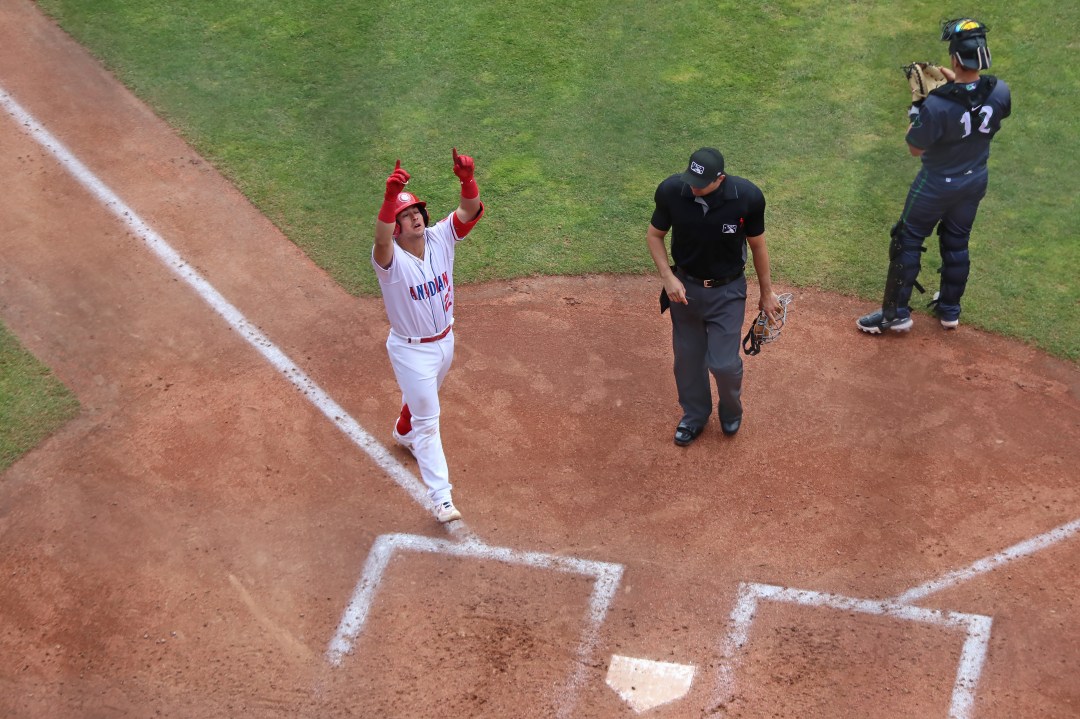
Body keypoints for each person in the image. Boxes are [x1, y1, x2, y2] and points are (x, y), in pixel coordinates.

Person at [858, 18, 1011, 334]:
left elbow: (915, 148)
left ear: (955, 58)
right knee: (957, 241)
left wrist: (917, 108)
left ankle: (895, 313)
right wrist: (956, 81)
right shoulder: (1000, 91)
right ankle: (950, 310)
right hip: (974, 181)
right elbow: (974, 97)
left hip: (936, 185)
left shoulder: (937, 105)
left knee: (907, 238)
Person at [372, 149, 484, 522]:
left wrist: (467, 180)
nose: (414, 217)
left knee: (422, 403)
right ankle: (441, 497)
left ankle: (403, 432)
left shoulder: (440, 238)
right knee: (429, 420)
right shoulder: (389, 262)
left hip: (445, 341)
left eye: (416, 211)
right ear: (396, 226)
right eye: (404, 216)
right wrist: (390, 201)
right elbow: (382, 241)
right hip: (410, 351)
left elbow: (469, 210)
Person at [647, 147, 780, 447]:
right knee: (687, 360)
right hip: (685, 290)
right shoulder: (671, 191)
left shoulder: (746, 197)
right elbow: (654, 236)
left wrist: (766, 293)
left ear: (719, 178)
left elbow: (758, 246)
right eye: (691, 178)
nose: (692, 186)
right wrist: (669, 279)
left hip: (727, 292)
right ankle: (694, 416)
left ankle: (731, 409)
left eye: (701, 181)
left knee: (722, 363)